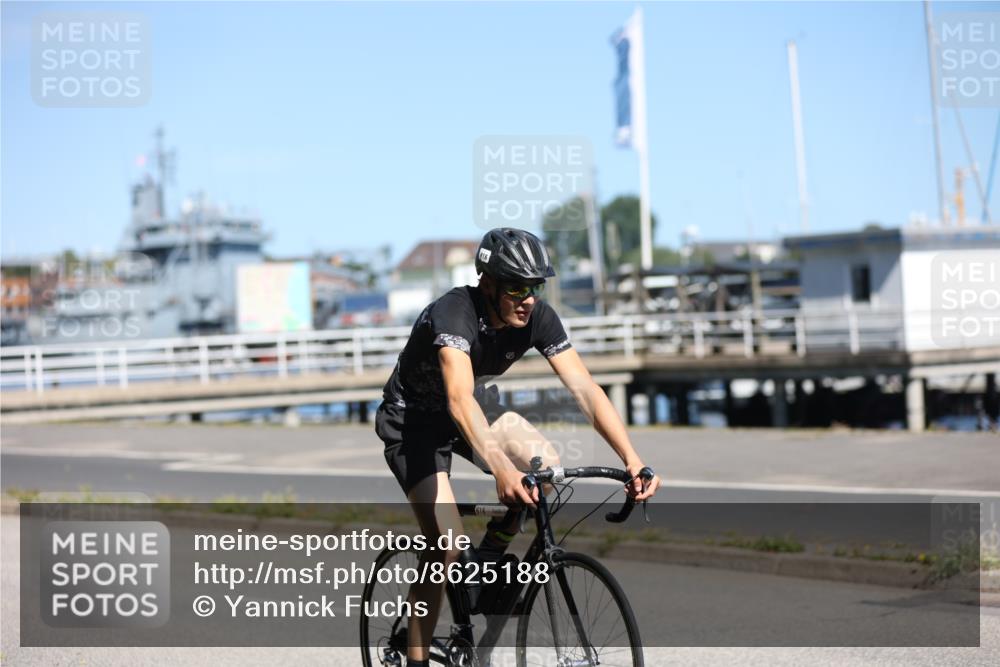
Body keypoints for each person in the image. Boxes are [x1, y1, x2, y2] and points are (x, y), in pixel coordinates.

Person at [374, 227, 661, 666]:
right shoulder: (455, 312)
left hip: (475, 407)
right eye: (516, 287)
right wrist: (501, 471)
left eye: (535, 286)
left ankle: (488, 554)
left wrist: (632, 458)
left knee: (546, 468)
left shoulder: (537, 317)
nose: (528, 298)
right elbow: (457, 398)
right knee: (445, 545)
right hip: (414, 421)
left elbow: (584, 387)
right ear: (487, 283)